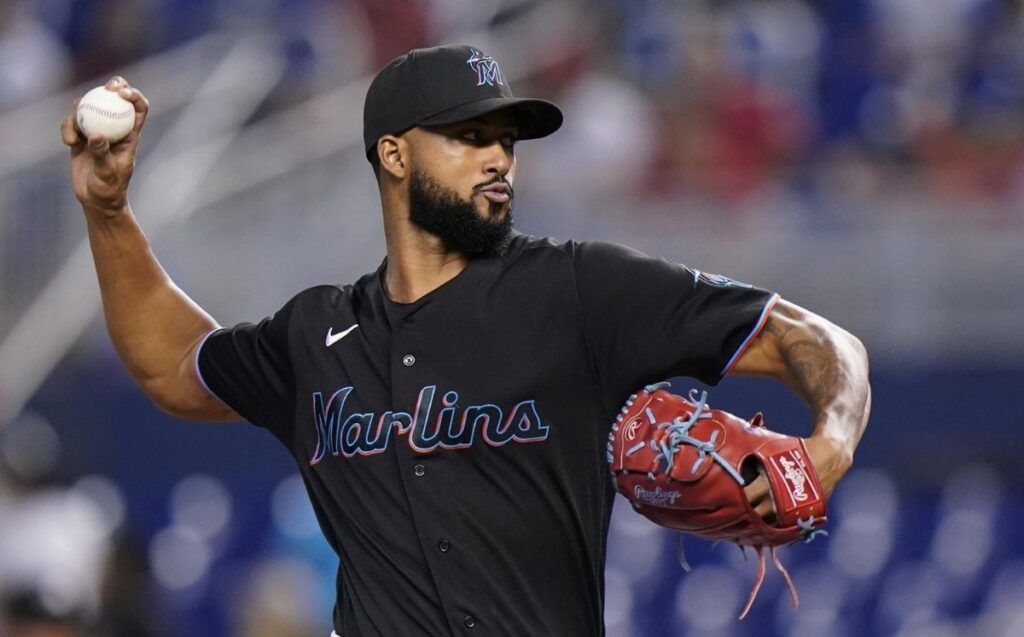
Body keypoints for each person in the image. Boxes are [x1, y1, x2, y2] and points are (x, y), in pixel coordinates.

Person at [61, 45, 871, 636]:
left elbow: (813, 338)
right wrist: (107, 214)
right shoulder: (316, 334)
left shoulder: (580, 289)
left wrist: (828, 445)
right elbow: (173, 365)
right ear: (393, 153)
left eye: (506, 141)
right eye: (468, 136)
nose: (497, 159)